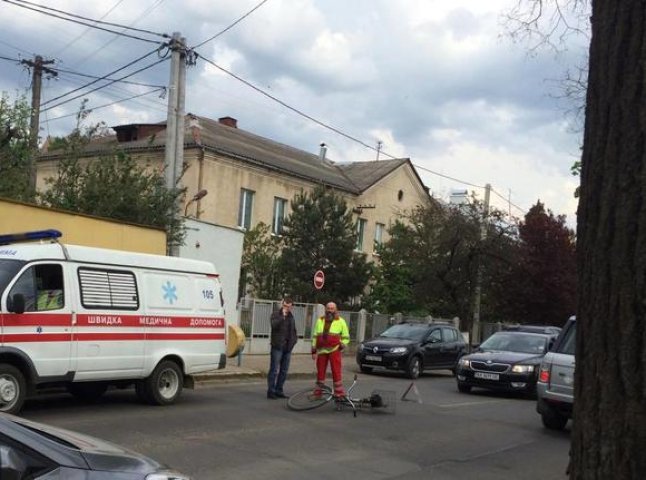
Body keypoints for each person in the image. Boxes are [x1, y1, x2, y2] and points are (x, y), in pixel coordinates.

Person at [311, 302, 350, 398]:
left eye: (332, 308)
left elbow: (346, 337)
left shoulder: (341, 321)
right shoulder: (320, 320)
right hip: (321, 351)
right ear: (325, 309)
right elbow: (315, 336)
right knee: (320, 372)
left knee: (336, 371)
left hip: (334, 350)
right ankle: (318, 393)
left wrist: (342, 346)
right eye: (328, 308)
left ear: (336, 310)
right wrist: (313, 351)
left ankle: (339, 393)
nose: (330, 310)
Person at [267, 297, 297, 399]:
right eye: (285, 306)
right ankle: (271, 391)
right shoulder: (276, 314)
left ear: (291, 307)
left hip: (287, 348)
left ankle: (279, 390)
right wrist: (282, 317)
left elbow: (293, 331)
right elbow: (273, 325)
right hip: (277, 347)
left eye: (289, 307)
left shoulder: (291, 317)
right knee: (274, 370)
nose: (286, 308)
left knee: (284, 370)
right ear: (282, 304)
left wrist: (294, 341)